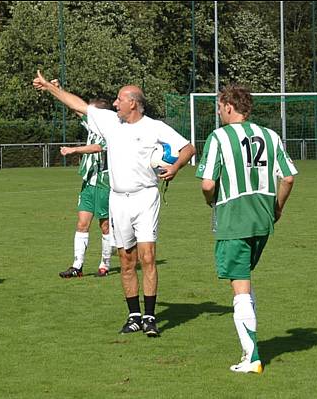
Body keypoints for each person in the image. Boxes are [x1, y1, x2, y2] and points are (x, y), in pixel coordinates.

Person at [34, 70, 196, 337]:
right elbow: (77, 104)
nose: (114, 103)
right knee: (126, 258)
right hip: (117, 198)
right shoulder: (111, 123)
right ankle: (134, 316)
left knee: (148, 257)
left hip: (145, 197)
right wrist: (49, 88)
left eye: (119, 99)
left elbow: (188, 147)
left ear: (133, 102)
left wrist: (176, 166)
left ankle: (150, 317)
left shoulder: (153, 127)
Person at [196, 85, 297, 373]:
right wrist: (277, 208)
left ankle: (251, 357)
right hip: (263, 217)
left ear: (229, 106)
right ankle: (250, 349)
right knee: (245, 280)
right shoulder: (271, 135)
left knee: (239, 287)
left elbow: (207, 184)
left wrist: (210, 201)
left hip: (233, 217)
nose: (217, 111)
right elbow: (287, 179)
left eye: (218, 106)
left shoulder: (219, 137)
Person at [57, 94, 114, 278]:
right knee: (82, 223)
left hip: (104, 183)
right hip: (89, 181)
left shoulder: (112, 128)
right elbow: (76, 108)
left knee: (105, 226)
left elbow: (98, 147)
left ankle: (104, 264)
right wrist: (58, 91)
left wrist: (75, 149)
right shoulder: (92, 123)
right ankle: (77, 266)